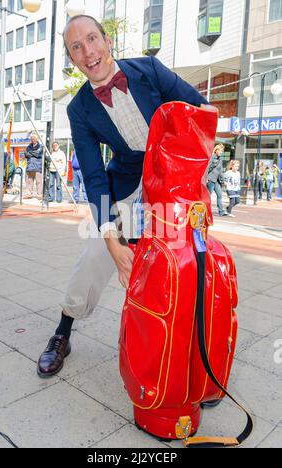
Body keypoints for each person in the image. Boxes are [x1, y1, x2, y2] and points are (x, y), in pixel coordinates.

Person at [37, 15, 210, 378]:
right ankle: (63, 332)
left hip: (176, 181)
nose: (88, 51)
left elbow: (200, 110)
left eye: (92, 39)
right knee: (95, 253)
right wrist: (112, 240)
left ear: (107, 40)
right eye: (76, 47)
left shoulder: (150, 69)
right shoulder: (79, 109)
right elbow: (94, 178)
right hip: (129, 187)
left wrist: (192, 171)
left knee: (190, 264)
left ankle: (197, 356)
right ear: (72, 59)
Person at [207, 143, 227, 217]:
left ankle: (221, 211)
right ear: (216, 150)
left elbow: (220, 171)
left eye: (222, 151)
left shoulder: (220, 160)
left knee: (219, 195)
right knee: (208, 196)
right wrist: (205, 178)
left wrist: (223, 180)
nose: (221, 152)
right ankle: (207, 211)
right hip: (210, 179)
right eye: (220, 151)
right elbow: (207, 168)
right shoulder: (212, 158)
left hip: (217, 180)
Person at [24, 134, 44, 200]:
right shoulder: (28, 146)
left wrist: (30, 153)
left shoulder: (41, 146)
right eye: (31, 138)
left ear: (37, 139)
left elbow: (37, 154)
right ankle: (29, 194)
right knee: (29, 181)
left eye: (34, 138)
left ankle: (39, 194)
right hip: (29, 167)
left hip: (38, 167)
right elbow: (26, 154)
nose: (33, 140)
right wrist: (32, 153)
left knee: (39, 182)